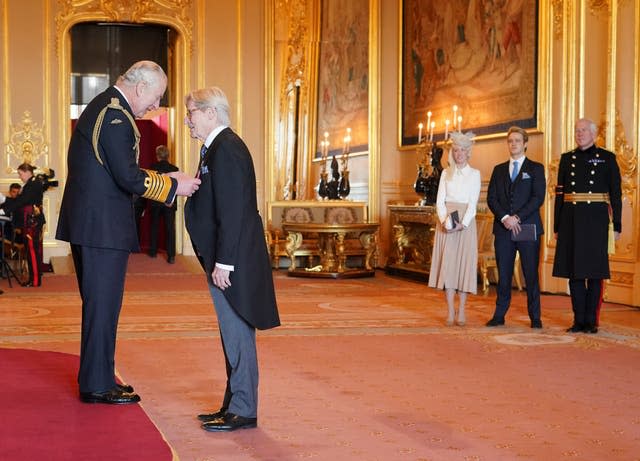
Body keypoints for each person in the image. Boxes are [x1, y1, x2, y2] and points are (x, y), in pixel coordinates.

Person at [56, 60, 201, 405]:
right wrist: (172, 185)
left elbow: (118, 171)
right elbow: (128, 176)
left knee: (103, 306)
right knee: (102, 306)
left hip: (94, 224)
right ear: (140, 88)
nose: (156, 105)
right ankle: (95, 385)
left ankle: (101, 378)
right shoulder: (115, 115)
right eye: (156, 96)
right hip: (100, 228)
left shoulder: (109, 107)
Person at [183, 86, 280, 432]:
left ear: (211, 113)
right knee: (231, 335)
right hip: (224, 259)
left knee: (238, 333)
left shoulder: (227, 150)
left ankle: (243, 409)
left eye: (191, 113)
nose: (187, 120)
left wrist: (224, 262)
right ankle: (232, 405)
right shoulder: (217, 149)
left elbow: (234, 210)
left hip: (231, 261)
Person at [552, 118, 622, 334]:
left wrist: (617, 224)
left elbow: (616, 194)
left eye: (583, 130)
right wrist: (557, 225)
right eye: (577, 131)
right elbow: (560, 195)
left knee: (593, 274)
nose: (579, 134)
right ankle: (578, 320)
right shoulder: (566, 159)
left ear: (593, 134)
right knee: (574, 273)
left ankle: (591, 321)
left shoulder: (607, 158)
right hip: (570, 221)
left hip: (596, 222)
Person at [486, 126, 546, 328]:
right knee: (504, 274)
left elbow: (538, 197)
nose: (513, 144)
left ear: (525, 143)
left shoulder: (536, 169)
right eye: (510, 141)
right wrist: (505, 217)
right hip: (503, 228)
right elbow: (491, 198)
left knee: (530, 274)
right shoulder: (498, 169)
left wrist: (517, 217)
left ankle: (535, 317)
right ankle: (499, 314)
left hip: (527, 227)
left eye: (517, 141)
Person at [428, 131, 481, 326]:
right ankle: (450, 310)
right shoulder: (445, 173)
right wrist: (445, 221)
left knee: (463, 267)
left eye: (462, 150)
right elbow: (440, 201)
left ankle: (462, 310)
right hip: (446, 223)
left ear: (468, 153)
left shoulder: (475, 174)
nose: (459, 154)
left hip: (465, 225)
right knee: (449, 268)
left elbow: (473, 204)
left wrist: (462, 224)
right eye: (456, 150)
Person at [1, 164, 45, 287]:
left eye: (20, 174)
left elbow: (22, 201)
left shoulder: (34, 183)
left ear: (27, 172)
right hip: (29, 221)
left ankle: (35, 280)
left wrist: (5, 210)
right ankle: (33, 279)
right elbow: (19, 200)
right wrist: (4, 199)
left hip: (32, 221)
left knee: (32, 251)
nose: (20, 177)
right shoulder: (30, 184)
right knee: (30, 251)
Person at [148, 145, 179, 263]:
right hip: (169, 202)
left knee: (154, 227)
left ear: (157, 155)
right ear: (168, 155)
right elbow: (176, 187)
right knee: (170, 228)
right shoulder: (174, 169)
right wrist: (172, 201)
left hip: (156, 201)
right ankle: (171, 256)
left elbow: (150, 186)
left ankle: (153, 251)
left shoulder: (152, 168)